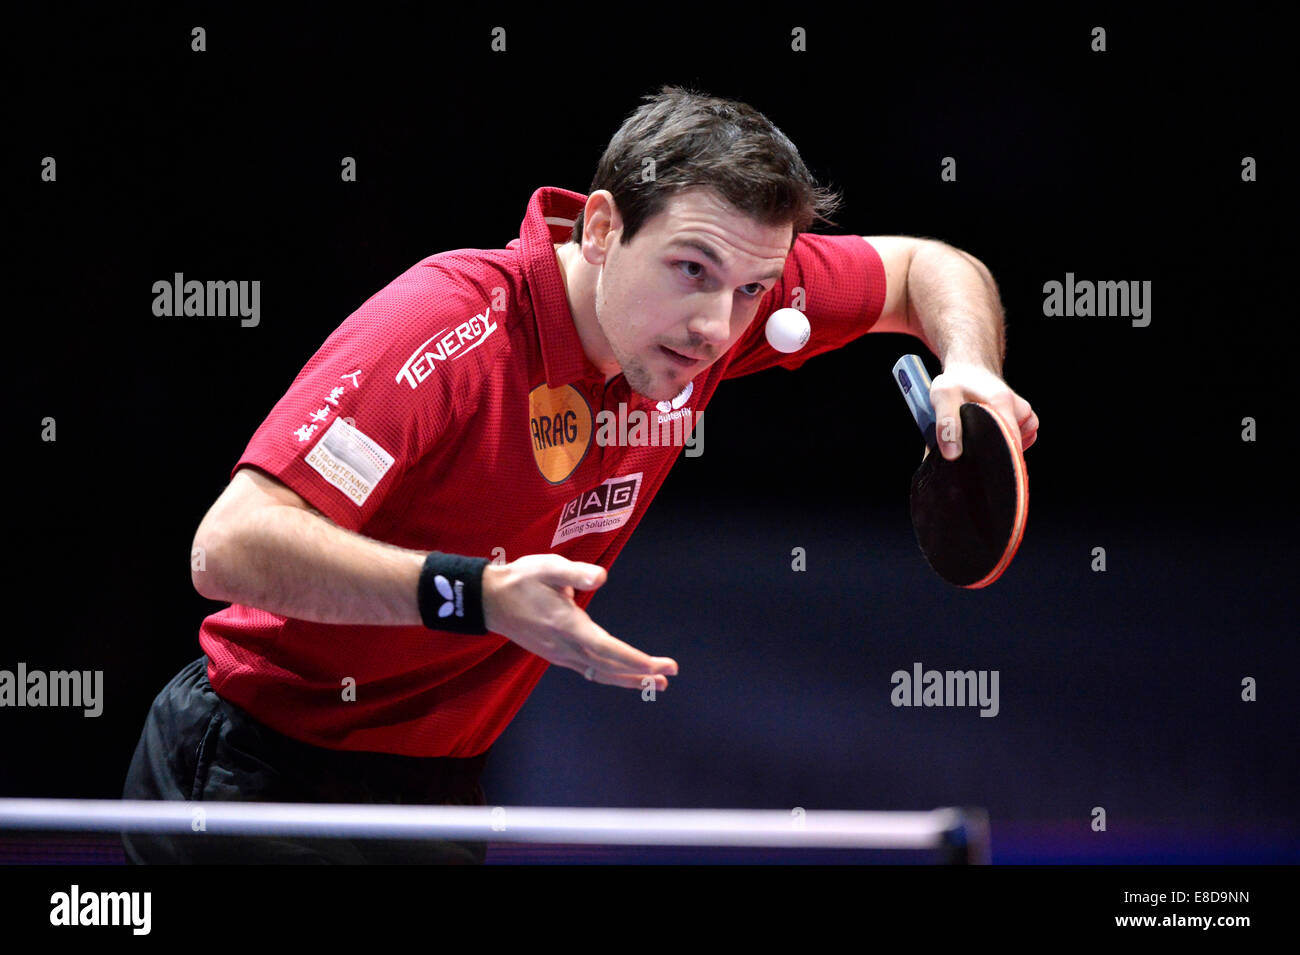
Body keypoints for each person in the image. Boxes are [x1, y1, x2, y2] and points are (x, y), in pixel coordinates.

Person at [121, 84, 1039, 864]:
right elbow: (229, 546)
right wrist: (476, 594)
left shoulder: (717, 311)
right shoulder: (448, 330)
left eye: (753, 290)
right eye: (691, 269)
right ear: (601, 227)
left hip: (433, 788)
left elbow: (930, 266)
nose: (719, 326)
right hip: (257, 767)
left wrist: (972, 368)